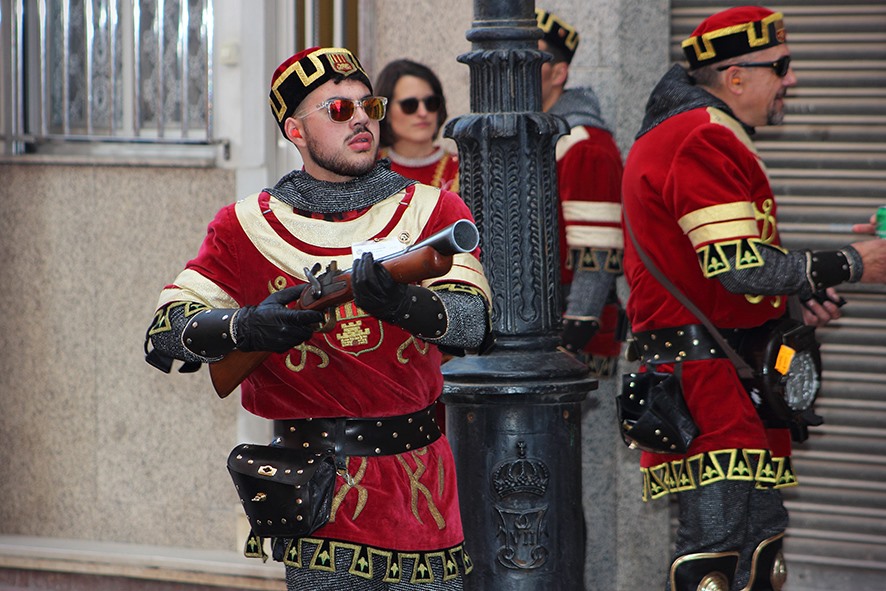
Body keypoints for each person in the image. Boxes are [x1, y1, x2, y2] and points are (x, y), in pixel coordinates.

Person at [144, 46, 492, 590]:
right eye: (338, 109)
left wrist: (400, 303)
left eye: (368, 106)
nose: (360, 119)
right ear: (296, 131)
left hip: (421, 490)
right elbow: (165, 331)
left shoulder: (435, 210)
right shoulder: (243, 227)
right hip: (315, 495)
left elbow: (475, 324)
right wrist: (245, 327)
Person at [621, 6, 886, 590]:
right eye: (781, 67)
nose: (792, 79)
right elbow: (740, 267)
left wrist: (797, 298)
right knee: (716, 557)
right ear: (735, 77)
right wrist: (852, 263)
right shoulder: (700, 137)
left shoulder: (708, 134)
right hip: (707, 383)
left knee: (759, 549)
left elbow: (717, 273)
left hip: (733, 375)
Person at [535, 9, 625, 377]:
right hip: (535, 324)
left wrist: (572, 337)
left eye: (533, 58)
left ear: (559, 74)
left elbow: (598, 255)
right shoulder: (540, 134)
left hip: (568, 334)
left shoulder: (584, 144)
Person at [375, 59, 460, 192]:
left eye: (431, 103)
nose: (423, 113)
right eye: (409, 105)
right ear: (387, 111)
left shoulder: (463, 170)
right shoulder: (368, 170)